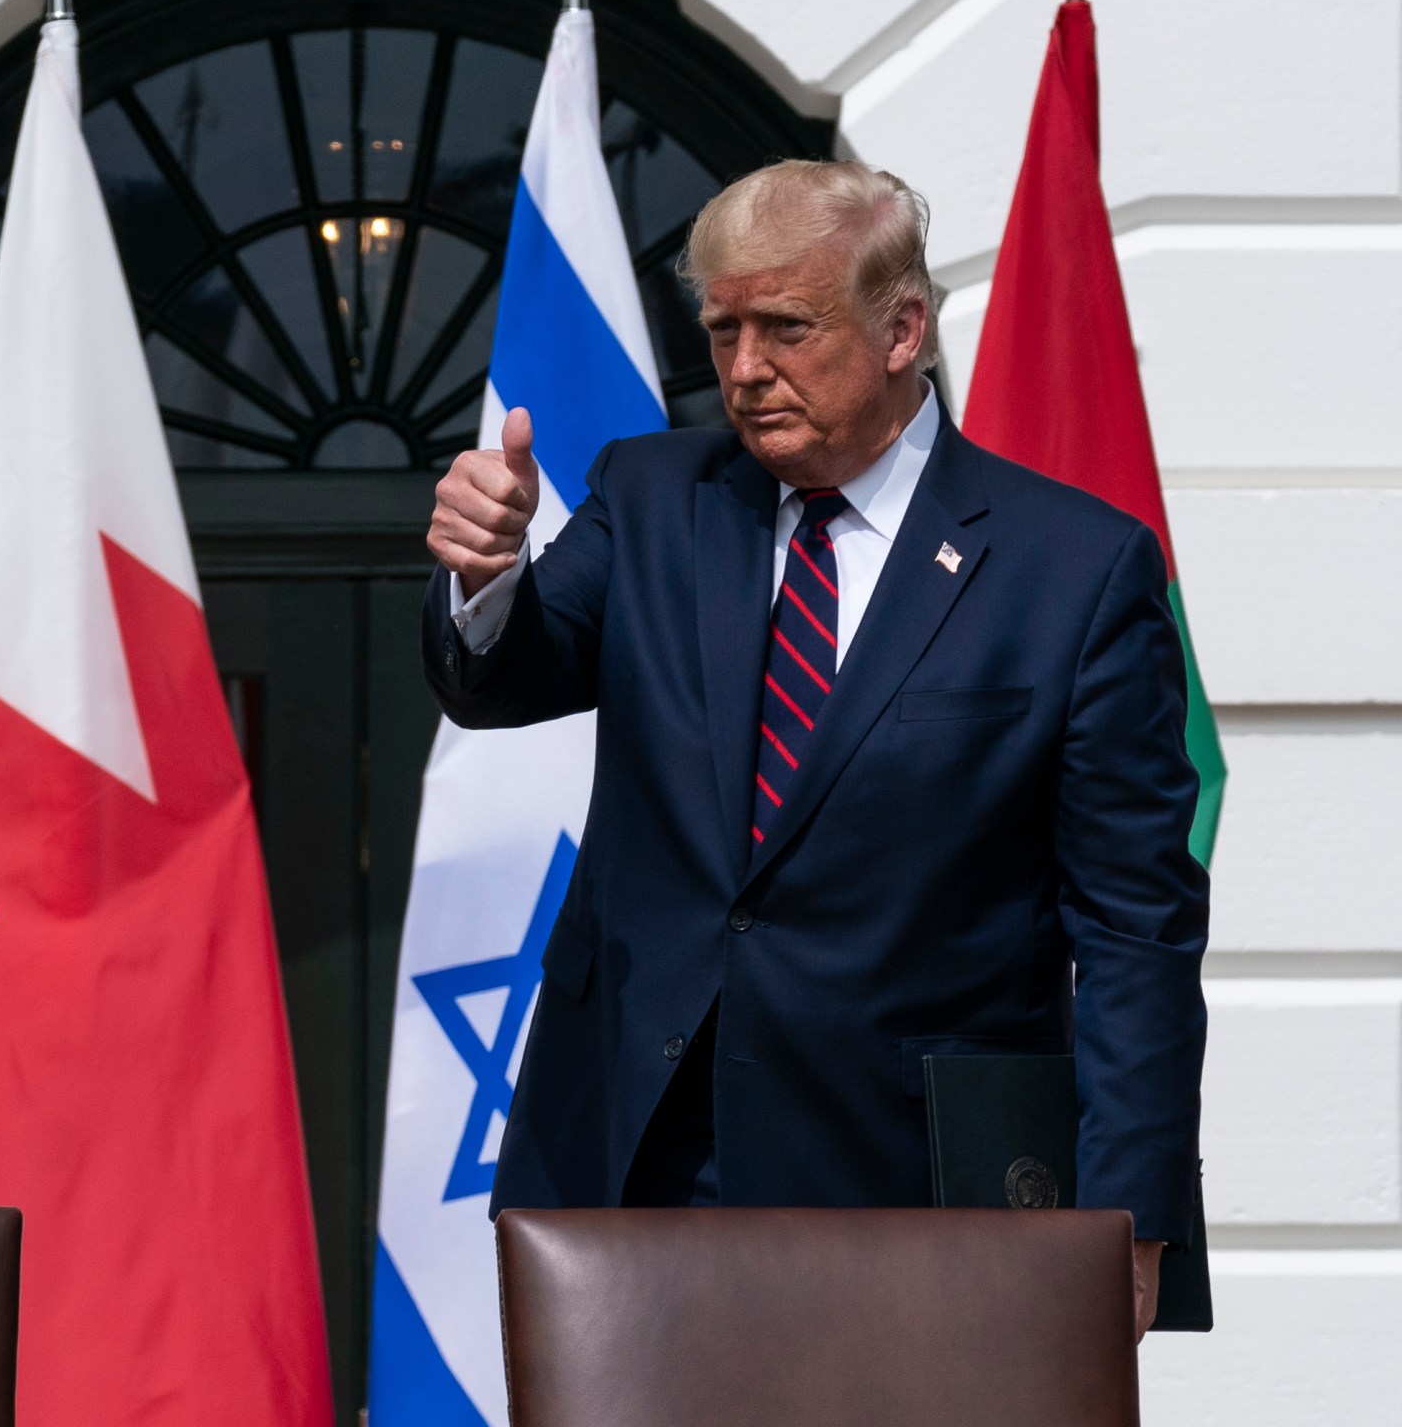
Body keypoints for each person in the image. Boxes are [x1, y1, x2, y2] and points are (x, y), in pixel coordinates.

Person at [423, 160, 1206, 1336]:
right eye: (722, 329)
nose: (743, 371)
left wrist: (1130, 1214)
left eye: (786, 327)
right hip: (635, 1164)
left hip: (915, 1188)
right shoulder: (652, 496)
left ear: (903, 329)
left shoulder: (1075, 569)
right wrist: (482, 582)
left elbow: (1135, 930)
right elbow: (509, 677)